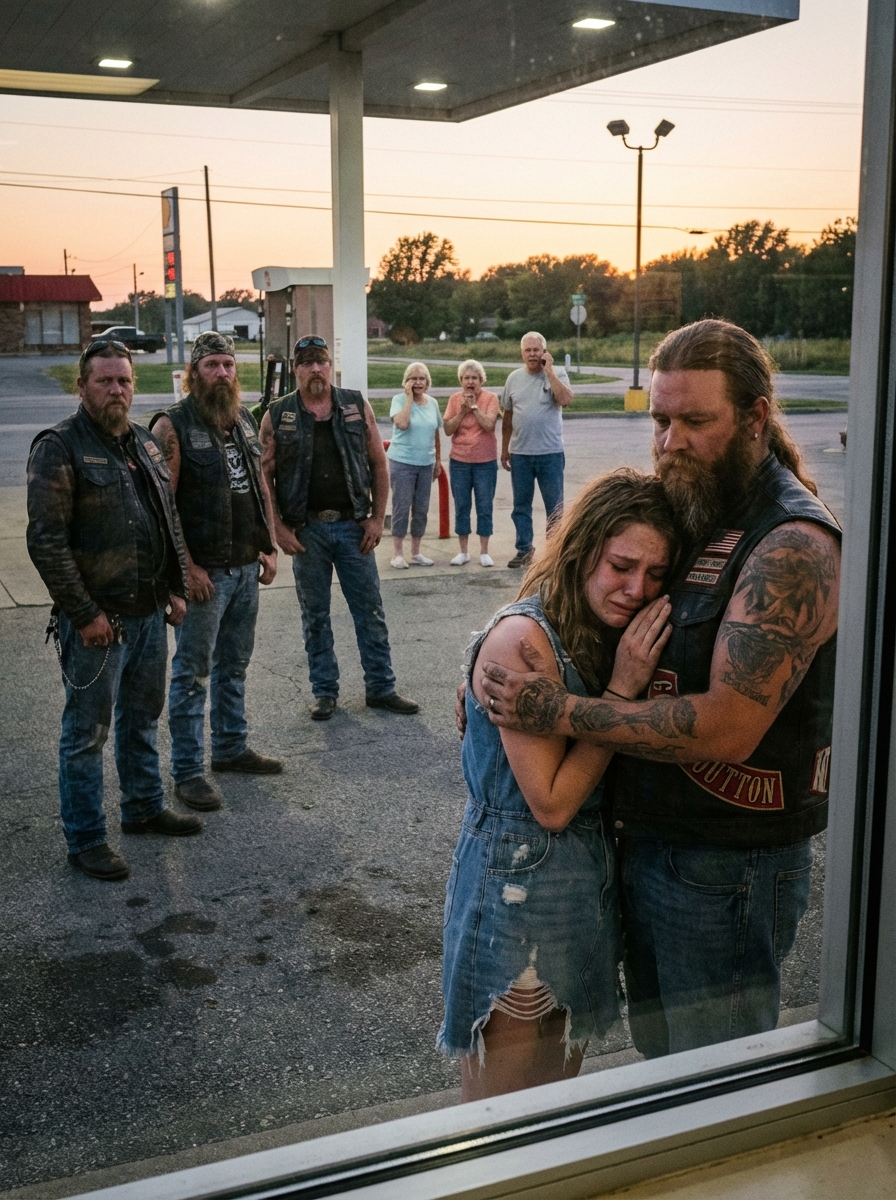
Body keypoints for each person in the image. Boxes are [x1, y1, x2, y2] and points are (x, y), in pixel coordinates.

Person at [479, 319, 841, 1059]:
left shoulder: (793, 545)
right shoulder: (698, 501)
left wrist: (553, 708)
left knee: (714, 1074)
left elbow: (726, 729)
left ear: (754, 418)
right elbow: (588, 570)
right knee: (661, 1061)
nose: (671, 440)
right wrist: (493, 652)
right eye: (660, 420)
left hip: (724, 866)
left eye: (695, 422)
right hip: (647, 841)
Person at [440, 470, 677, 1099]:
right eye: (621, 565)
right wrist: (622, 690)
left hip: (587, 891)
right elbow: (551, 802)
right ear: (581, 552)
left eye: (656, 576)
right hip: (520, 888)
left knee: (552, 1115)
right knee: (498, 1121)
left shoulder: (596, 634)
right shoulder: (526, 638)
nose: (636, 590)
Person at [26, 339, 202, 882]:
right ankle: (85, 840)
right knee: (86, 735)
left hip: (149, 614)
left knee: (142, 719)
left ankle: (144, 807)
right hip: (99, 626)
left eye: (124, 380)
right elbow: (46, 542)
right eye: (104, 381)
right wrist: (83, 614)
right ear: (82, 387)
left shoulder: (145, 443)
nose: (116, 390)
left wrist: (175, 588)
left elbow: (167, 517)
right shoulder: (59, 447)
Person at [149, 332, 283, 814]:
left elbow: (258, 486)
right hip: (207, 575)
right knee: (192, 673)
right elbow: (164, 505)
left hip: (247, 567)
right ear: (194, 372)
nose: (223, 373)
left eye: (228, 364)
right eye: (212, 366)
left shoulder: (243, 419)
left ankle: (230, 747)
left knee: (235, 666)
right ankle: (187, 771)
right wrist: (186, 569)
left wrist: (268, 544)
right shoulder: (172, 425)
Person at [259, 335, 418, 721]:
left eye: (322, 361)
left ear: (331, 366)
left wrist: (377, 519)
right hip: (306, 532)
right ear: (296, 369)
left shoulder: (354, 404)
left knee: (370, 611)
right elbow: (264, 474)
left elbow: (379, 464)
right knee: (315, 616)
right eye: (307, 362)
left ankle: (381, 688)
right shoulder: (277, 414)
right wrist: (277, 529)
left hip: (353, 528)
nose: (316, 368)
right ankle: (324, 692)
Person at [501, 331, 574, 569]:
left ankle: (553, 554)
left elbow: (565, 399)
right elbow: (508, 415)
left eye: (536, 350)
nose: (532, 354)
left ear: (544, 351)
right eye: (528, 350)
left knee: (555, 507)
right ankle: (524, 550)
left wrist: (550, 371)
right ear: (522, 353)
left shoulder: (557, 374)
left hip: (550, 454)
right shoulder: (514, 378)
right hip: (521, 453)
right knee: (521, 505)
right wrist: (505, 448)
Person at [442, 359, 500, 567]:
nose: (470, 381)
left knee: (484, 506)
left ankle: (484, 551)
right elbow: (448, 430)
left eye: (474, 378)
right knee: (462, 506)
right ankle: (463, 551)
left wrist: (474, 408)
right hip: (459, 461)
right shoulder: (454, 399)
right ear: (461, 380)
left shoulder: (491, 398)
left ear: (481, 380)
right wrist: (462, 411)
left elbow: (488, 425)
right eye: (466, 378)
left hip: (485, 462)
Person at [387, 361, 443, 568]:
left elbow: (436, 432)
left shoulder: (433, 403)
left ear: (427, 382)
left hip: (425, 463)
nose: (418, 382)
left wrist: (437, 460)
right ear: (406, 381)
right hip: (402, 461)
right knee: (402, 506)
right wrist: (409, 398)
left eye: (421, 379)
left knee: (421, 509)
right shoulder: (398, 400)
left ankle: (416, 552)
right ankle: (397, 553)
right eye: (413, 378)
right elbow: (402, 423)